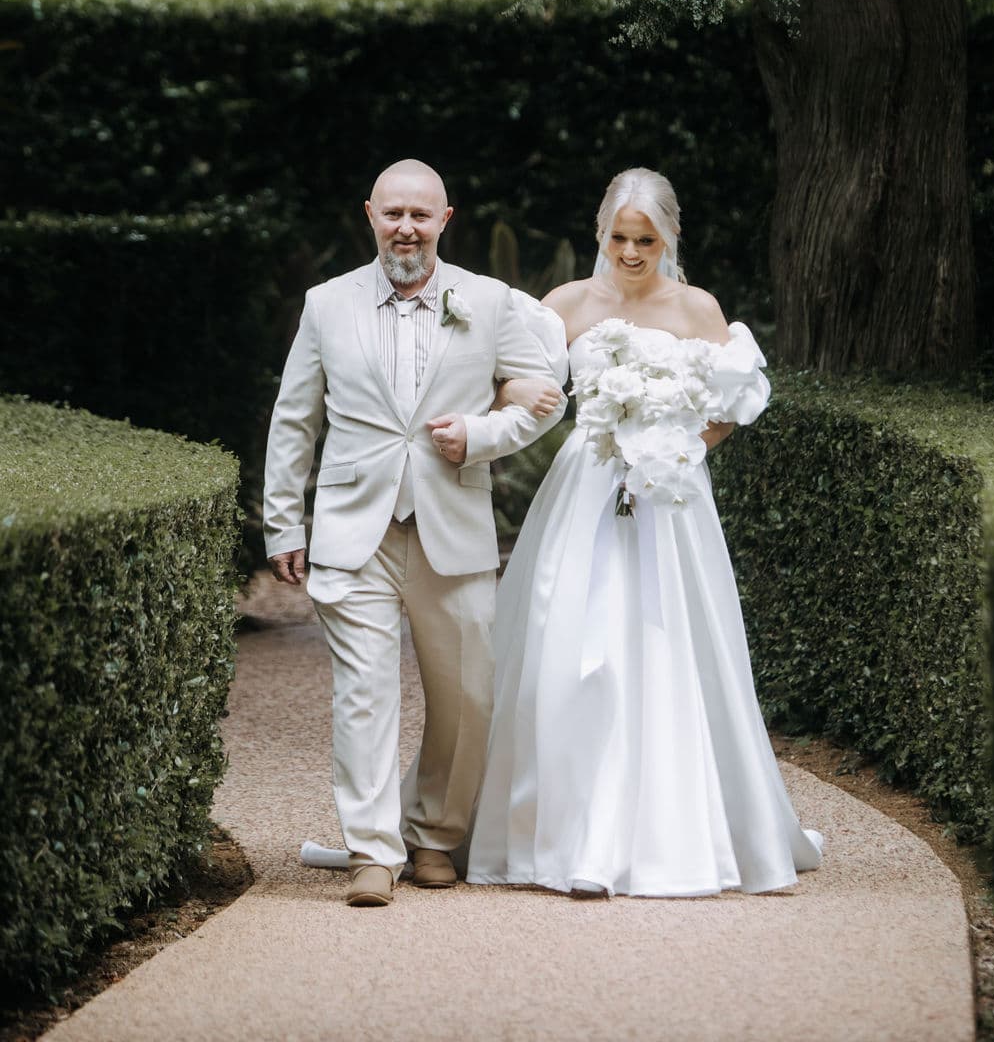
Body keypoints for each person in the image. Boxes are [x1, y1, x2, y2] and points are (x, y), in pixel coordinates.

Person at [466, 166, 823, 898]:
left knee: (668, 645)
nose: (631, 252)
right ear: (600, 233)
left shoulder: (697, 307)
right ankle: (561, 832)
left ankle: (668, 835)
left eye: (646, 239)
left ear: (668, 238)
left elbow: (735, 399)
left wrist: (679, 449)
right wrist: (522, 397)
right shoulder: (563, 304)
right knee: (566, 644)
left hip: (669, 498)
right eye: (620, 237)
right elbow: (512, 376)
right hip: (585, 487)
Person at [263, 159, 567, 907]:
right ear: (370, 214)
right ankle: (373, 851)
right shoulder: (326, 304)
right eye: (393, 213)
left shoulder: (491, 301)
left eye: (420, 216)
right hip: (352, 528)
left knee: (468, 695)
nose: (406, 227)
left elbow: (545, 400)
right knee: (364, 695)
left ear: (445, 220)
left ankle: (434, 835)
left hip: (451, 528)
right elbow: (295, 419)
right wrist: (282, 521)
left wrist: (480, 434)